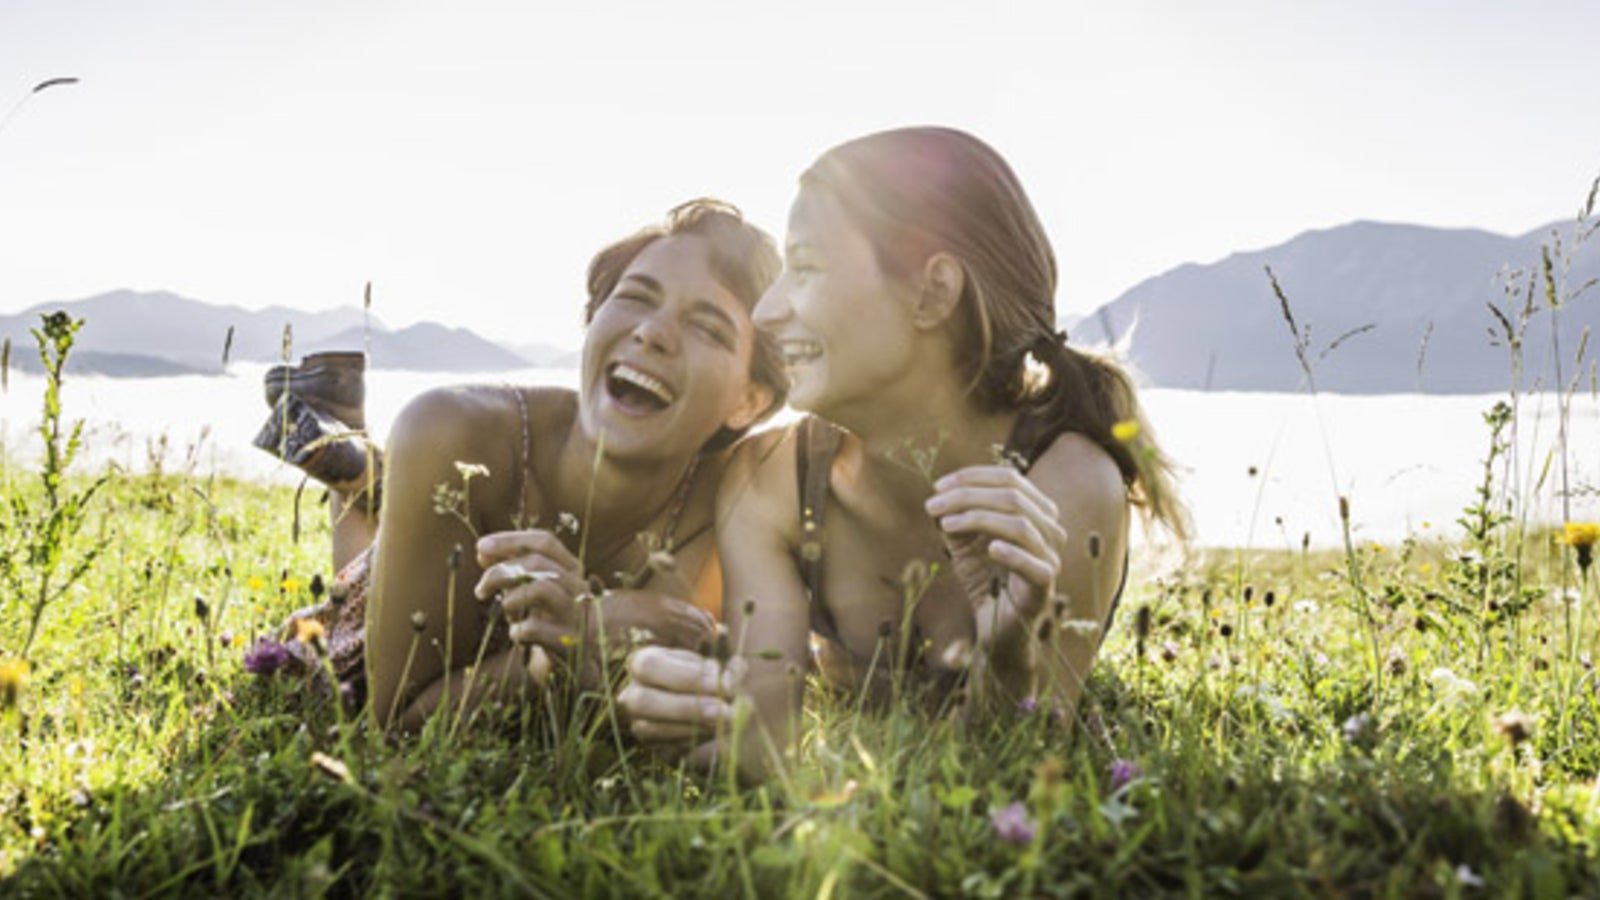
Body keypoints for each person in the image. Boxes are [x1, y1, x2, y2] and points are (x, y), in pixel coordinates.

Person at [618, 128, 1187, 776]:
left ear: (933, 293)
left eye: (805, 268)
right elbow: (763, 743)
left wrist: (1008, 657)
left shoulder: (1067, 486)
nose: (768, 311)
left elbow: (1019, 770)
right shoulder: (771, 482)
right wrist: (691, 718)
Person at [252, 200, 787, 731]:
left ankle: (354, 462)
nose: (652, 332)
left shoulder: (743, 501)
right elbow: (395, 719)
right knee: (369, 581)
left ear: (750, 401)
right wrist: (569, 644)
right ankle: (358, 465)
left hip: (446, 553)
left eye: (709, 327)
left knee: (389, 539)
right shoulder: (453, 429)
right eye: (635, 296)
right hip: (361, 657)